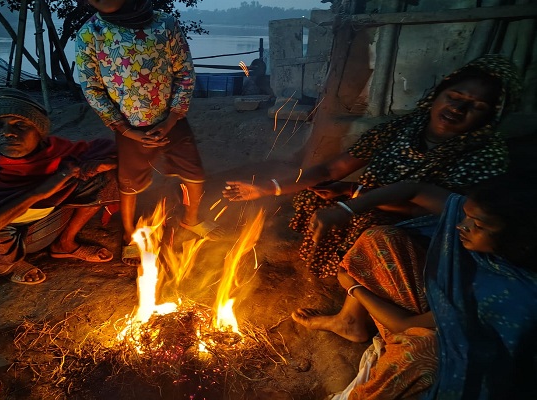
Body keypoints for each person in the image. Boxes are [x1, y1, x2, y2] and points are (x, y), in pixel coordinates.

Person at [223, 54, 522, 278]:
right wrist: (267, 188)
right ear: (437, 95)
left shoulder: (486, 156)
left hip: (421, 227)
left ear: (490, 115)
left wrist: (356, 195)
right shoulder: (401, 127)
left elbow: (438, 212)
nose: (457, 109)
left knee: (373, 228)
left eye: (476, 106)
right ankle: (331, 266)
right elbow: (331, 169)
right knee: (312, 193)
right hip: (367, 199)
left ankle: (359, 281)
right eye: (453, 97)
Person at [291, 176, 537, 399]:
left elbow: (406, 325)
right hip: (442, 306)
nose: (462, 226)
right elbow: (415, 190)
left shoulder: (508, 295)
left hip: (462, 352)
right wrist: (344, 208)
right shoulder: (485, 222)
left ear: (518, 237)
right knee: (379, 239)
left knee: (422, 351)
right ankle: (349, 322)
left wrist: (354, 287)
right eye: (465, 216)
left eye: (479, 226)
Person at [75, 0, 224, 266]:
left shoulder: (163, 23)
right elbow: (91, 86)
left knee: (194, 172)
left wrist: (173, 117)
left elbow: (185, 71)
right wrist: (124, 129)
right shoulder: (90, 33)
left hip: (172, 120)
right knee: (129, 183)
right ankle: (130, 235)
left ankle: (191, 219)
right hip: (128, 126)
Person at [0, 89, 119, 285]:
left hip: (42, 225)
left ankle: (64, 243)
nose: (7, 133)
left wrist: (107, 162)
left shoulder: (54, 152)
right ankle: (13, 264)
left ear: (39, 133)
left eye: (21, 125)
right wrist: (38, 193)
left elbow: (113, 151)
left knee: (103, 175)